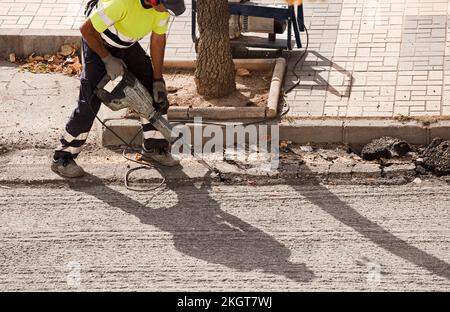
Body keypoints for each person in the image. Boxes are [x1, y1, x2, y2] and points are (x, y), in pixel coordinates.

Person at [51, 0, 185, 178]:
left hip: (126, 44)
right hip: (97, 41)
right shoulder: (122, 3)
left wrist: (158, 79)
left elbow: (158, 38)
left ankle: (154, 148)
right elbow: (86, 30)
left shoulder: (161, 9)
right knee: (90, 102)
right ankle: (62, 157)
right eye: (166, 8)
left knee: (153, 91)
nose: (166, 12)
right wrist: (107, 59)